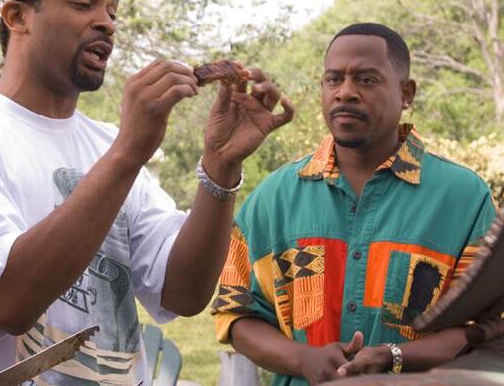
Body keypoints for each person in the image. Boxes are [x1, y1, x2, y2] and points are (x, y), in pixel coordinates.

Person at [0, 0, 294, 385]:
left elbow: (184, 292)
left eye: (111, 9)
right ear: (17, 16)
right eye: (84, 4)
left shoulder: (109, 143)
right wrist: (129, 151)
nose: (107, 22)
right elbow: (9, 303)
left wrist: (220, 167)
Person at [212, 23, 498, 386]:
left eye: (366, 80)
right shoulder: (274, 198)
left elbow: (483, 328)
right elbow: (235, 314)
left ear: (406, 93)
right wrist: (303, 358)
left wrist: (393, 358)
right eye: (334, 79)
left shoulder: (463, 198)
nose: (345, 93)